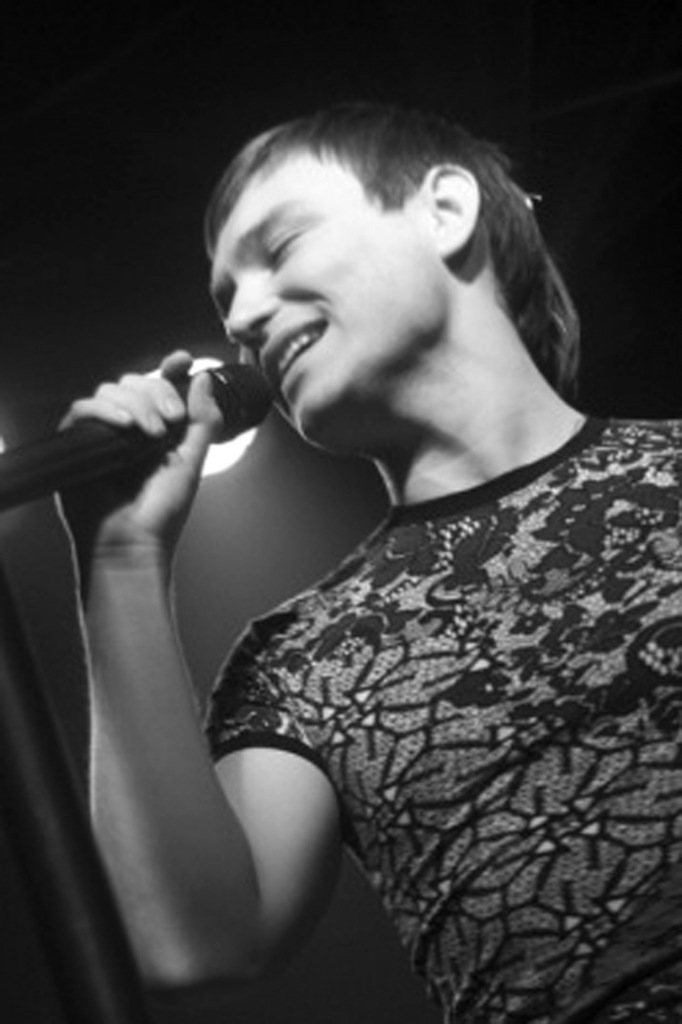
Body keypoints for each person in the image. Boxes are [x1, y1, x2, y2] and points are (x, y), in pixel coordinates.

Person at [60, 102, 682, 1023]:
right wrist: (120, 559)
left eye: (281, 247)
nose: (246, 317)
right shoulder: (301, 656)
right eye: (228, 302)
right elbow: (195, 944)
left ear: (446, 211)